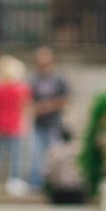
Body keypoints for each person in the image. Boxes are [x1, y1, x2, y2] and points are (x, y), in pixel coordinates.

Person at [0, 54, 31, 196]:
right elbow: (25, 107)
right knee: (14, 155)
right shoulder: (21, 88)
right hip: (14, 125)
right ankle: (14, 181)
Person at [28, 43, 70, 188]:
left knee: (55, 156)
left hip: (54, 123)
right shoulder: (34, 79)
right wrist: (35, 108)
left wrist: (48, 106)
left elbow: (65, 100)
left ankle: (55, 183)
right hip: (39, 123)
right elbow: (28, 100)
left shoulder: (59, 79)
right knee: (36, 156)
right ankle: (36, 184)